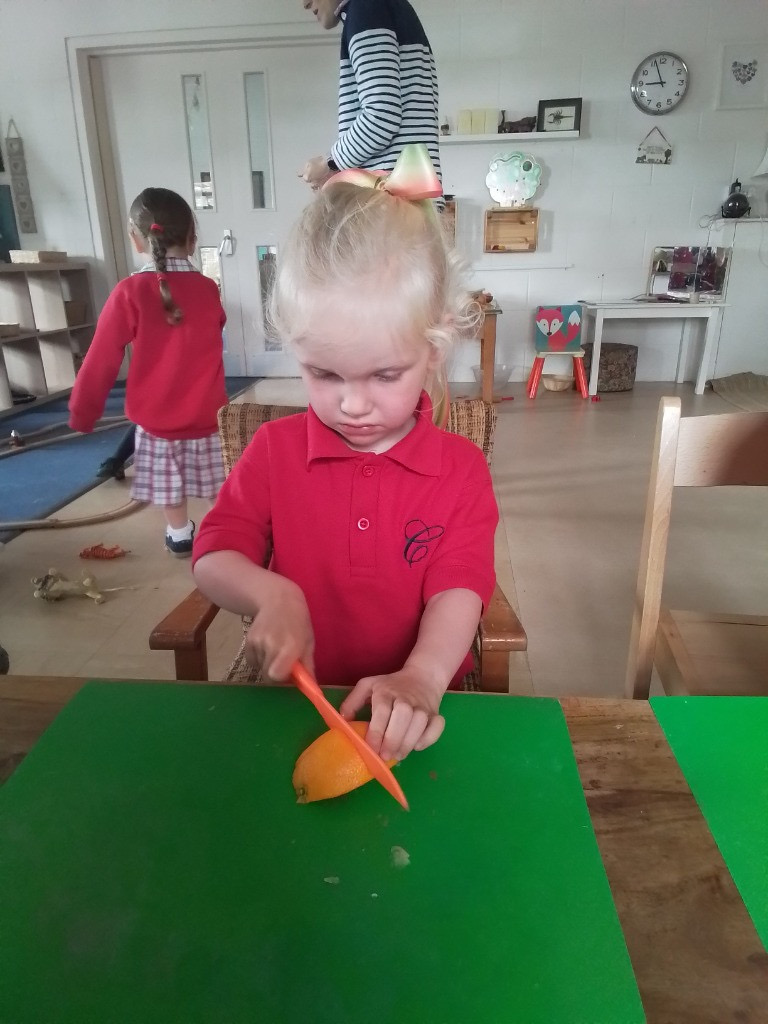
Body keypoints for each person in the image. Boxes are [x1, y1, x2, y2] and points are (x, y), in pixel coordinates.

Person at [192, 146, 497, 763]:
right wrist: (272, 594)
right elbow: (213, 555)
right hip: (298, 705)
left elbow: (459, 590)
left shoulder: (461, 469)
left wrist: (422, 679)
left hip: (418, 708)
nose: (352, 404)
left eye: (385, 374)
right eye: (323, 373)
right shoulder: (273, 451)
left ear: (434, 346)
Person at [69, 187, 228, 557]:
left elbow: (101, 357)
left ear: (136, 240)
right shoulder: (208, 289)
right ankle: (222, 533)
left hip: (157, 420)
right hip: (208, 415)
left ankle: (179, 534)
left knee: (170, 484)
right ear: (192, 238)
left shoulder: (130, 291)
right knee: (216, 482)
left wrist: (83, 411)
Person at [300, 0, 441, 193]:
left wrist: (329, 163)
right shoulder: (380, 7)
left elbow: (381, 118)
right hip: (407, 198)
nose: (305, 4)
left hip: (390, 200)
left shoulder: (365, 10)